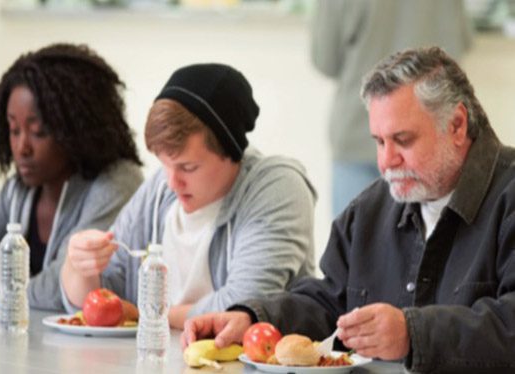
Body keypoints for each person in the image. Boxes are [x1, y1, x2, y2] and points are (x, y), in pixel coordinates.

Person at [182, 47, 515, 372]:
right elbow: (330, 302)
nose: (386, 162)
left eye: (403, 140)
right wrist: (253, 319)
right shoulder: (370, 209)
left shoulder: (508, 196)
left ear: (457, 125)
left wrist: (413, 334)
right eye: (380, 142)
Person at [61, 63, 317, 329]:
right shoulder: (161, 189)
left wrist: (142, 314)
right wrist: (79, 265)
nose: (172, 182)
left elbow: (243, 305)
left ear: (232, 152)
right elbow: (103, 298)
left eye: (188, 167)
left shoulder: (278, 188)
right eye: (164, 165)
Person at [0, 43, 144, 311]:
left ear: (76, 130)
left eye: (38, 131)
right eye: (14, 130)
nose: (22, 147)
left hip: (96, 351)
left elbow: (60, 288)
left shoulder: (117, 184)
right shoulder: (19, 191)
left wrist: (0, 301)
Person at [312, 0, 473, 217]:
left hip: (359, 136)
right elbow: (459, 43)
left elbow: (324, 60)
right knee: (430, 245)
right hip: (429, 144)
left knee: (356, 245)